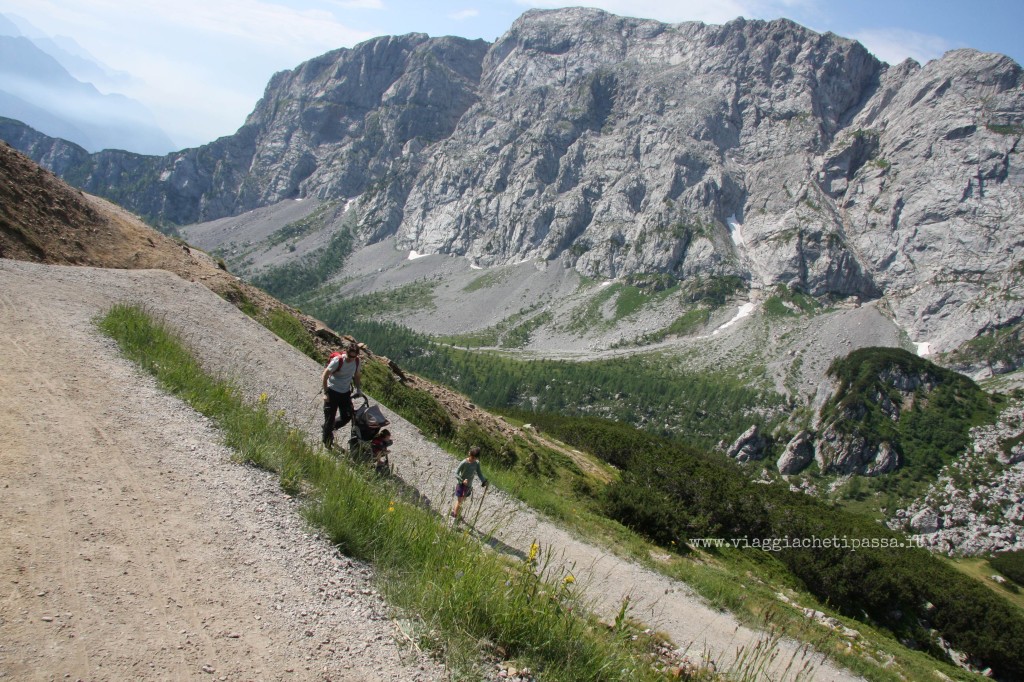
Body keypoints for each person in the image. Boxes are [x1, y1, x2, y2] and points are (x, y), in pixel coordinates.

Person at [321, 342, 362, 448]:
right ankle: (327, 441)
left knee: (347, 416)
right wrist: (326, 393)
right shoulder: (338, 361)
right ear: (346, 352)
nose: (351, 359)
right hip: (332, 391)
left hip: (345, 393)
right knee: (330, 418)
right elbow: (325, 376)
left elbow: (357, 376)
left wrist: (358, 389)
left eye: (354, 356)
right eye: (350, 356)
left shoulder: (357, 362)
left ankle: (327, 428)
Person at [451, 445, 488, 521]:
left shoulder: (476, 463)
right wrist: (462, 480)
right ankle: (454, 516)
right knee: (459, 501)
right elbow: (456, 473)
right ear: (469, 454)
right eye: (472, 457)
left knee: (462, 501)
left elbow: (479, 473)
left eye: (475, 458)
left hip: (468, 486)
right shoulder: (464, 462)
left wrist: (483, 481)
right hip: (461, 485)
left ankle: (456, 513)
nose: (473, 459)